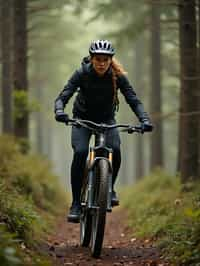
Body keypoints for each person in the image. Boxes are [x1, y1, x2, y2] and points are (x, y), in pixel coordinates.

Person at [54, 40, 153, 223]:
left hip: (107, 120)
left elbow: (134, 100)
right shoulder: (82, 73)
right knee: (81, 152)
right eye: (98, 59)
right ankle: (76, 203)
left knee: (115, 149)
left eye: (105, 59)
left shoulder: (118, 77)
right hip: (82, 119)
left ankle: (109, 188)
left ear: (110, 60)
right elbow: (63, 96)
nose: (102, 63)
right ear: (92, 59)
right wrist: (60, 111)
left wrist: (144, 119)